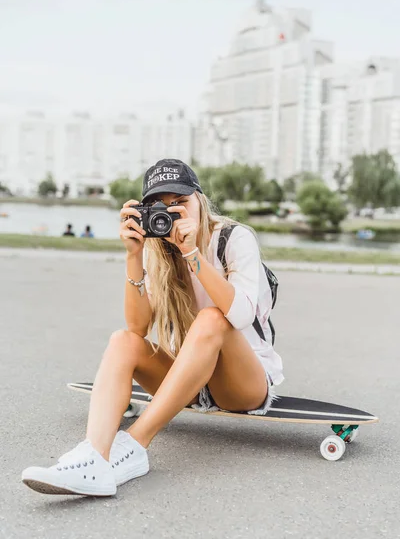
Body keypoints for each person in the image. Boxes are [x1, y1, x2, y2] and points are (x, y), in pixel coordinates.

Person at [22, 158, 284, 497]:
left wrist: (192, 254)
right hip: (189, 380)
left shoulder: (234, 239)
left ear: (199, 201)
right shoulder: (156, 248)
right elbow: (138, 327)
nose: (172, 215)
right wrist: (134, 254)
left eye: (180, 204)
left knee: (211, 318)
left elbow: (240, 315)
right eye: (159, 208)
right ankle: (93, 458)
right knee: (122, 340)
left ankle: (133, 445)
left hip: (243, 384)